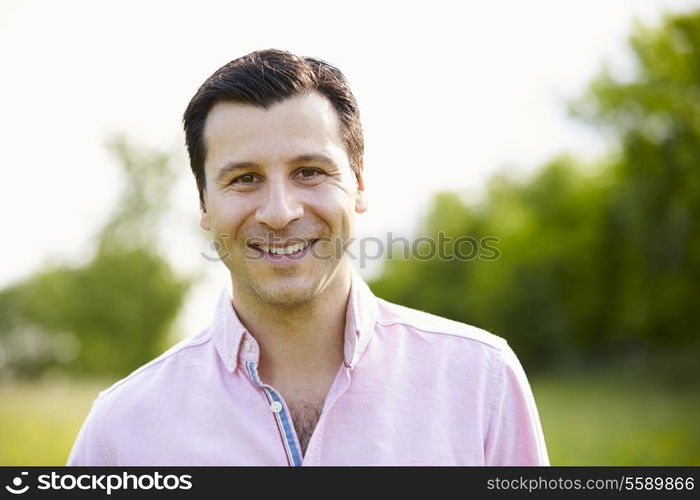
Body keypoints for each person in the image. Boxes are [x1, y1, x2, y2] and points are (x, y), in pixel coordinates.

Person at [67, 49, 549, 466]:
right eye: (244, 179)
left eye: (310, 171)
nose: (279, 212)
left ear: (358, 186)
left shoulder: (482, 381)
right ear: (203, 205)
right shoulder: (121, 430)